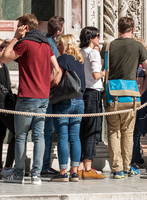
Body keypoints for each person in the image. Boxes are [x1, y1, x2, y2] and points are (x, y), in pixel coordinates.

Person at [0, 14, 59, 185]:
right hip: (43, 97)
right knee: (39, 136)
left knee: (21, 136)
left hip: (27, 96)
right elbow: (56, 70)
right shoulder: (46, 45)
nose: (17, 28)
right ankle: (36, 175)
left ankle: (19, 173)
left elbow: (4, 58)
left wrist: (15, 38)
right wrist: (46, 86)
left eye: (19, 25)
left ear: (25, 27)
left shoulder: (25, 43)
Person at [100, 17, 147, 179]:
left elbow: (102, 69)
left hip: (112, 95)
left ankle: (117, 168)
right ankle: (127, 167)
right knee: (127, 132)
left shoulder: (108, 46)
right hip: (131, 95)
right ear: (132, 30)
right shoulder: (138, 46)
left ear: (117, 28)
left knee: (113, 132)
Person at [50, 34, 86, 182]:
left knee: (63, 137)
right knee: (75, 137)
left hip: (64, 102)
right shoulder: (80, 60)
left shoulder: (62, 59)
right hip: (80, 102)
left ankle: (63, 171)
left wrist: (47, 88)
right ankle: (74, 172)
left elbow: (57, 78)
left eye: (60, 45)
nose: (58, 47)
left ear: (65, 46)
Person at [78, 27, 105, 180]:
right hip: (93, 93)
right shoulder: (93, 52)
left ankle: (81, 164)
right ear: (91, 38)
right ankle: (88, 166)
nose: (99, 38)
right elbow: (96, 75)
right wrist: (105, 71)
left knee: (83, 129)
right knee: (93, 130)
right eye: (97, 35)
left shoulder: (80, 52)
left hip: (82, 93)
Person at [41, 16, 65, 177]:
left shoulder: (42, 41)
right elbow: (55, 71)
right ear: (59, 31)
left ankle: (41, 165)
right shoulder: (52, 46)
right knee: (47, 131)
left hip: (39, 90)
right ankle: (44, 165)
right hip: (47, 93)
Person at [0, 38, 15, 179]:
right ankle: (7, 168)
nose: (3, 49)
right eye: (0, 47)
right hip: (3, 105)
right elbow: (8, 52)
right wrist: (9, 42)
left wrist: (4, 44)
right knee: (18, 133)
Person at [131, 38, 147, 171]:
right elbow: (140, 89)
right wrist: (146, 77)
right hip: (139, 103)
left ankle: (136, 158)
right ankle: (135, 159)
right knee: (136, 133)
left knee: (135, 133)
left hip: (133, 102)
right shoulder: (140, 68)